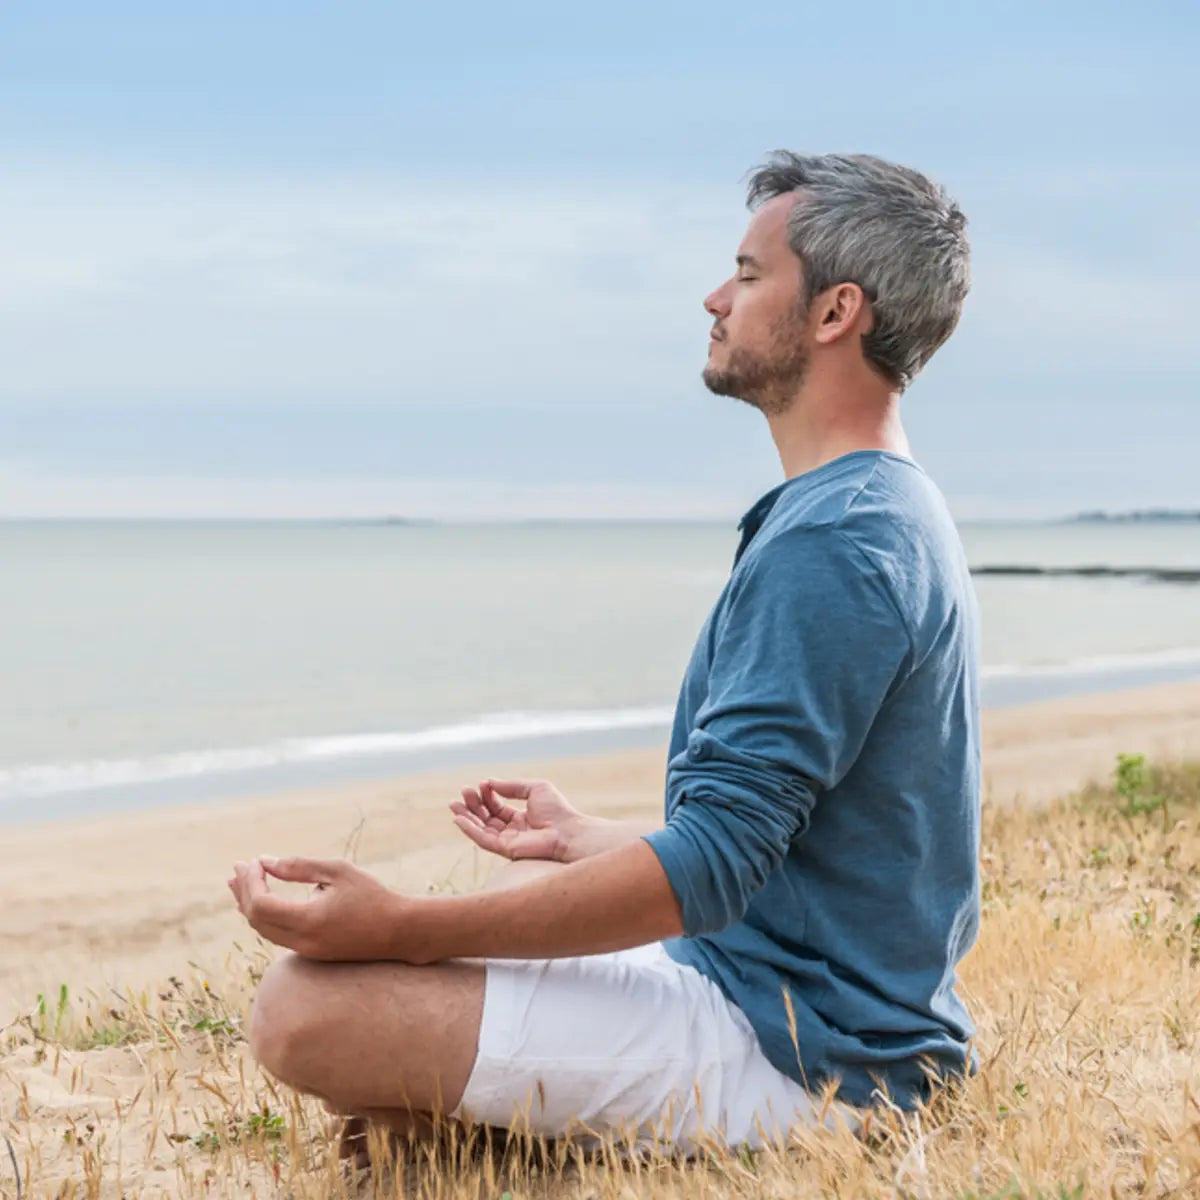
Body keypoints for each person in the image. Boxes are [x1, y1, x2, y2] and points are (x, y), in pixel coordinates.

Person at [229, 150, 980, 1155]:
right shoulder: (871, 507)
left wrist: (399, 925)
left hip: (809, 1057)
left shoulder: (838, 543)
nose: (716, 298)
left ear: (835, 313)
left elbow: (713, 865)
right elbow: (796, 835)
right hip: (767, 983)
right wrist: (587, 838)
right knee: (504, 907)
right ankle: (479, 1134)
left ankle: (518, 1136)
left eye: (751, 276)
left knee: (304, 1011)